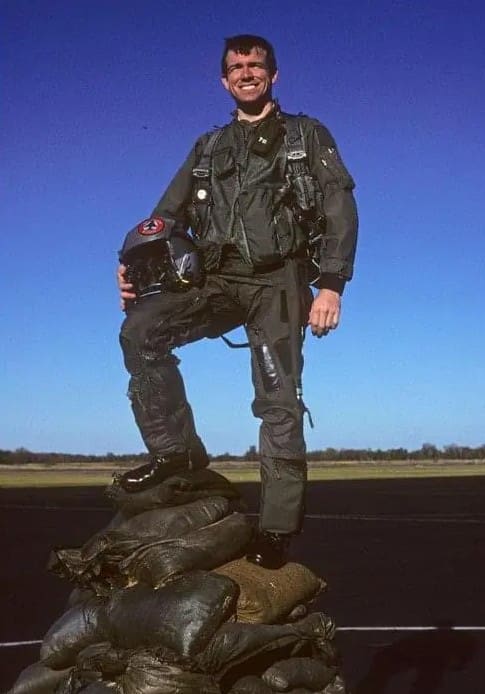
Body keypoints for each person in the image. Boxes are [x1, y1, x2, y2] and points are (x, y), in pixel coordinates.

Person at [116, 35, 358, 569]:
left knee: (278, 399)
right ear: (224, 81)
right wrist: (129, 265)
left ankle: (275, 529)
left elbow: (340, 208)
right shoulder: (208, 148)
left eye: (255, 65)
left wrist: (332, 285)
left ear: (273, 75)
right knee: (141, 331)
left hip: (278, 284)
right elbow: (162, 220)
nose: (246, 73)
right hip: (217, 282)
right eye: (236, 67)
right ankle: (174, 451)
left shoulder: (306, 136)